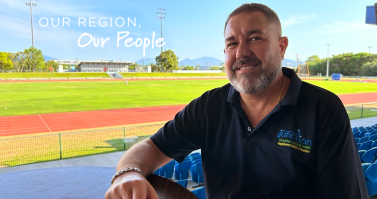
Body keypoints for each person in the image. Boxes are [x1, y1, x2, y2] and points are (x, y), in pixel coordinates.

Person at [105, 3, 368, 199]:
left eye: (255, 38)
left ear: (281, 46)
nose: (241, 52)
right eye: (231, 43)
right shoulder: (209, 107)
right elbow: (151, 148)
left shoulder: (323, 109)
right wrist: (128, 172)